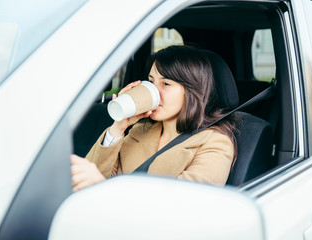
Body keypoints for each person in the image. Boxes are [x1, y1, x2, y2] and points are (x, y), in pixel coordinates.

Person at [71, 45, 239, 192]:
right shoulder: (141, 130)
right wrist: (118, 127)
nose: (154, 92)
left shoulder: (215, 143)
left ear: (192, 92)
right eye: (151, 82)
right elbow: (89, 183)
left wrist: (102, 186)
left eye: (166, 84)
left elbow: (183, 205)